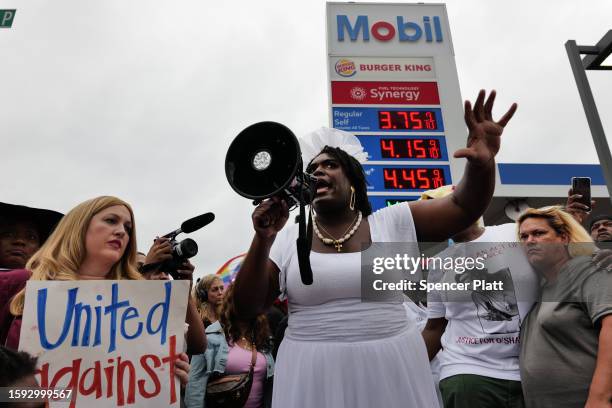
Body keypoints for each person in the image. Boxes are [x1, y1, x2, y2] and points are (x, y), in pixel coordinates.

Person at [233, 90, 518, 407]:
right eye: (312, 169)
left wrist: (482, 165)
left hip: (391, 364)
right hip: (312, 370)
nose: (318, 172)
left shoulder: (392, 222)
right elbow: (247, 306)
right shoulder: (286, 239)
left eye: (330, 164)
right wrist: (263, 237)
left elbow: (463, 206)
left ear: (353, 179)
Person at [0, 196, 202, 385]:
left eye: (128, 227)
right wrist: (22, 396)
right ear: (79, 227)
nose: (122, 231)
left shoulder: (141, 304)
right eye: (111, 220)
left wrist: (171, 377)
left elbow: (194, 347)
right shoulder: (22, 284)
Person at [421, 185, 538, 408]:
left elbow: (562, 256)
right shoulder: (439, 264)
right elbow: (435, 328)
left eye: (443, 208)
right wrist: (400, 370)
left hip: (531, 372)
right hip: (467, 374)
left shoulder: (514, 231)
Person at [517, 206, 612, 408]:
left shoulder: (590, 268)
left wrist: (600, 398)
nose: (529, 241)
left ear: (564, 238)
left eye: (538, 233)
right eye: (523, 237)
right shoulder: (539, 289)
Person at [185, 283, 275, 408]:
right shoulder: (212, 336)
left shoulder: (263, 338)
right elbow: (194, 387)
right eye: (242, 298)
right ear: (231, 302)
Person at [0, 202, 63, 271]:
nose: (19, 241)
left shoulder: (60, 280)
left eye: (31, 237)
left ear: (40, 248)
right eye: (9, 234)